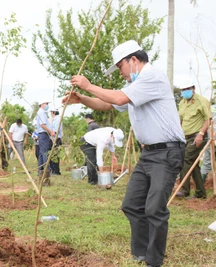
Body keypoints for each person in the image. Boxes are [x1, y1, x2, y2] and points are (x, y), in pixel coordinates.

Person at [65, 40, 185, 267]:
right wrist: (82, 99)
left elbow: (118, 98)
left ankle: (153, 260)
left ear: (133, 60)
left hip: (167, 153)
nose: (120, 73)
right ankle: (140, 253)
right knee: (131, 204)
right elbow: (108, 104)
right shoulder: (135, 87)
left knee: (154, 209)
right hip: (148, 154)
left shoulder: (152, 77)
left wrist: (87, 85)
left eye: (120, 67)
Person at [176, 81, 211, 199]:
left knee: (185, 159)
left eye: (188, 88)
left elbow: (208, 120)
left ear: (193, 88)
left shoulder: (202, 101)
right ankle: (201, 193)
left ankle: (184, 190)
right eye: (183, 89)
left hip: (197, 137)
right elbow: (180, 120)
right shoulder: (182, 103)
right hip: (185, 137)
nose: (185, 91)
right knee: (193, 164)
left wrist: (200, 134)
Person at [35, 99, 55, 185]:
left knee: (41, 153)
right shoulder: (42, 113)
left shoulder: (40, 113)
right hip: (43, 134)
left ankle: (40, 170)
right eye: (46, 103)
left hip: (41, 134)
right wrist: (50, 131)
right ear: (42, 104)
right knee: (45, 153)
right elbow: (43, 125)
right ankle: (47, 170)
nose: (47, 105)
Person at [200, 103, 216, 181]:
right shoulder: (210, 108)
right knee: (208, 160)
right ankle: (200, 185)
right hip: (211, 138)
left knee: (207, 161)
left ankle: (200, 185)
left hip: (211, 137)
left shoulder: (211, 108)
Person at [49, 108, 63, 175]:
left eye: (51, 112)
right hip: (53, 138)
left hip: (56, 139)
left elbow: (55, 130)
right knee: (52, 155)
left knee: (55, 155)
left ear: (53, 112)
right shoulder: (54, 119)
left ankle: (56, 171)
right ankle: (54, 170)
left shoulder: (57, 119)